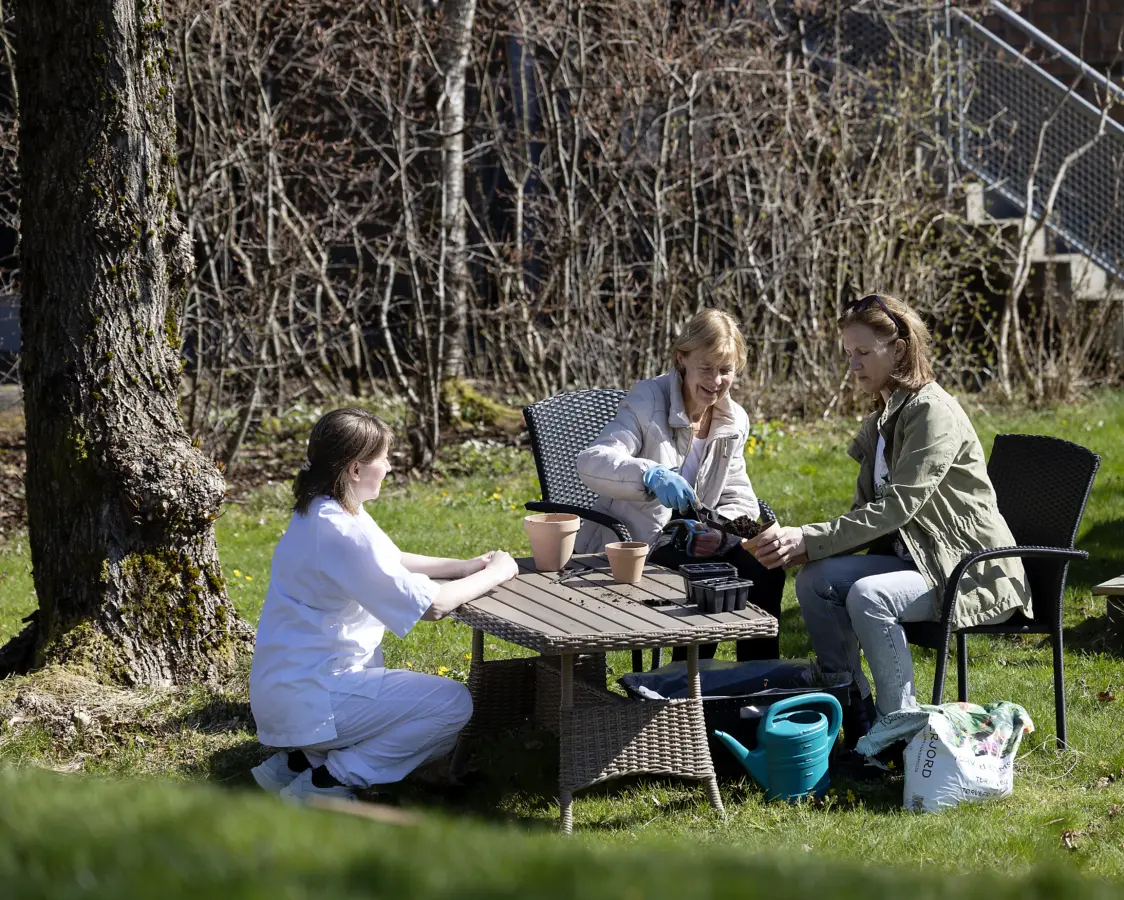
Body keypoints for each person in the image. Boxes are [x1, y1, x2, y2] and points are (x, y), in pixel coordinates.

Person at [747, 294, 1030, 760]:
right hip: (918, 558)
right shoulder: (886, 416)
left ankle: (900, 730)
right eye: (848, 353)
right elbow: (867, 511)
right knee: (815, 581)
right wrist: (807, 547)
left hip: (967, 569)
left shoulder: (932, 412)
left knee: (870, 596)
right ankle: (852, 709)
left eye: (863, 352)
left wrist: (811, 538)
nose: (853, 365)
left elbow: (898, 507)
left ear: (898, 349)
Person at [248, 408, 518, 802]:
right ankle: (328, 781)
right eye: (384, 458)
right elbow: (435, 606)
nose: (389, 467)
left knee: (400, 698)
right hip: (312, 695)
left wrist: (463, 567)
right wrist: (497, 572)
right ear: (356, 469)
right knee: (452, 704)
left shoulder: (324, 509)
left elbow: (391, 559)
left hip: (289, 688)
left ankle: (297, 763)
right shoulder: (340, 530)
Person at [574, 308, 785, 661]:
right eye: (706, 368)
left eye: (726, 370)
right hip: (638, 542)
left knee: (765, 566)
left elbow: (738, 496)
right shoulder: (647, 400)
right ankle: (686, 681)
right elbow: (592, 460)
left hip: (697, 539)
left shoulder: (733, 420)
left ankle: (759, 679)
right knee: (710, 574)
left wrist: (721, 535)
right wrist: (649, 475)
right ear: (681, 359)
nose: (716, 381)